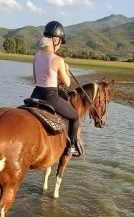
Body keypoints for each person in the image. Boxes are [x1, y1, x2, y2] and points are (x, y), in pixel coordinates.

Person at [31, 21, 81, 157]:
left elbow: (36, 80)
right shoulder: (58, 59)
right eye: (60, 42)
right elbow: (68, 84)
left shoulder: (36, 56)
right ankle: (71, 147)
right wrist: (65, 69)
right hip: (50, 96)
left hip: (35, 94)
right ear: (56, 40)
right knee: (75, 117)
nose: (60, 45)